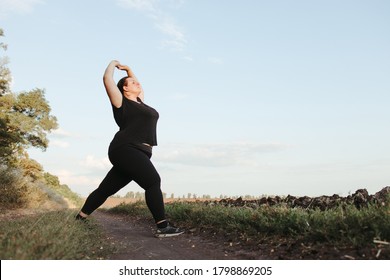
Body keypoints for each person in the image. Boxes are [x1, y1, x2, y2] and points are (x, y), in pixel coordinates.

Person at [75, 60, 184, 238]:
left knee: (106, 189)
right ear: (124, 89)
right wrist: (113, 64)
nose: (136, 82)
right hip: (125, 149)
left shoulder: (141, 103)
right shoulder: (121, 102)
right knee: (152, 181)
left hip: (139, 152)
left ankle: (79, 219)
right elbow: (106, 78)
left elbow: (138, 84)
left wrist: (129, 70)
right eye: (131, 82)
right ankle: (162, 226)